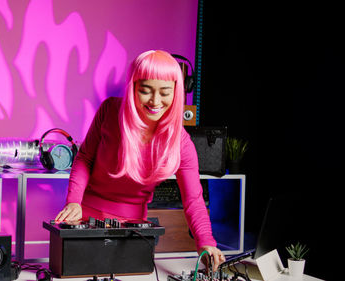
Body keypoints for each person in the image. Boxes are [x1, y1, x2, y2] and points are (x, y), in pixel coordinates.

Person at [55, 50, 225, 270]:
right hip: (83, 217)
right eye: (145, 91)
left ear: (176, 93)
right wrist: (73, 201)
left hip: (133, 229)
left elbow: (193, 199)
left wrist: (206, 243)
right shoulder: (109, 111)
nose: (155, 101)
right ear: (133, 87)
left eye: (165, 92)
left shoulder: (182, 143)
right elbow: (84, 158)